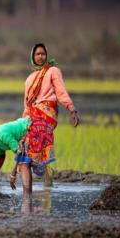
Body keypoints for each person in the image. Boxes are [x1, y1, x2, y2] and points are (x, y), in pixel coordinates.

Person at [23, 43, 79, 186]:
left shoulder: (53, 71)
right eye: (37, 54)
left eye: (43, 54)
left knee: (47, 144)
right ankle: (28, 186)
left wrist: (71, 109)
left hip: (47, 114)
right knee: (28, 147)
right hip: (32, 115)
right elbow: (27, 104)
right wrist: (22, 123)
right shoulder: (29, 78)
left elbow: (61, 92)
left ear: (46, 55)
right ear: (33, 57)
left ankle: (48, 181)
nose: (40, 57)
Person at [0, 115, 55, 201]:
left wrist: (13, 174)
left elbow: (20, 153)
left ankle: (28, 196)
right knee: (25, 164)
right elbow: (1, 156)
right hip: (31, 129)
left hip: (34, 126)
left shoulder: (2, 135)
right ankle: (29, 194)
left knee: (24, 165)